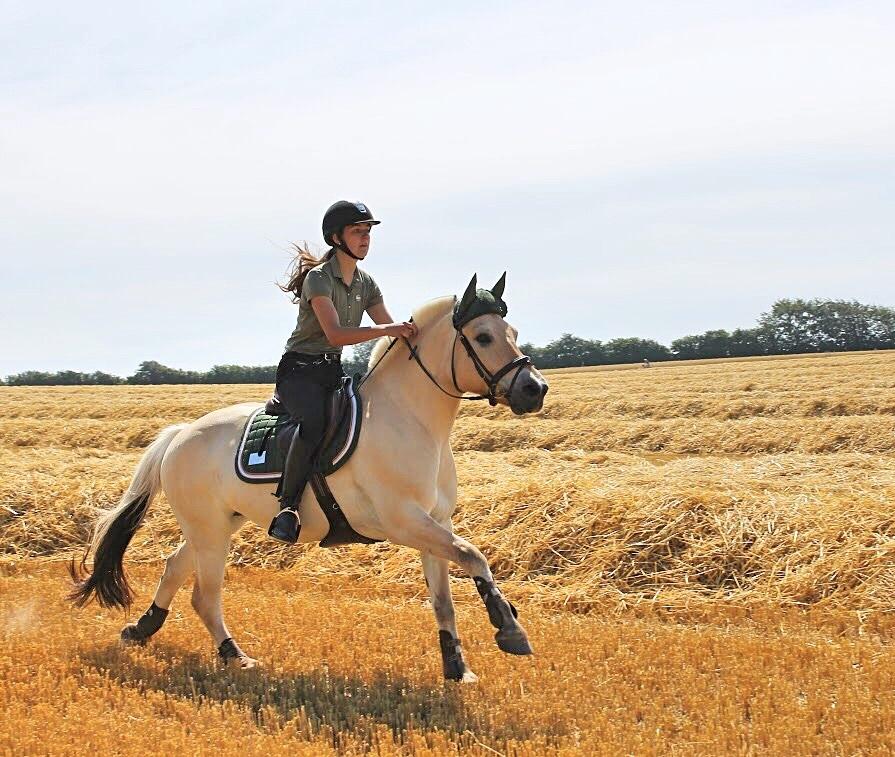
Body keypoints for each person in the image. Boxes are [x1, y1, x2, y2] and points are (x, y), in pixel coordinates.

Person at [268, 201, 418, 543]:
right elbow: (337, 334)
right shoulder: (318, 280)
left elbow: (389, 327)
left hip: (332, 371)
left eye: (368, 232)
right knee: (314, 424)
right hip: (299, 373)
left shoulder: (367, 282)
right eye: (357, 232)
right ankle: (287, 508)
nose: (365, 239)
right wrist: (389, 330)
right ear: (336, 238)